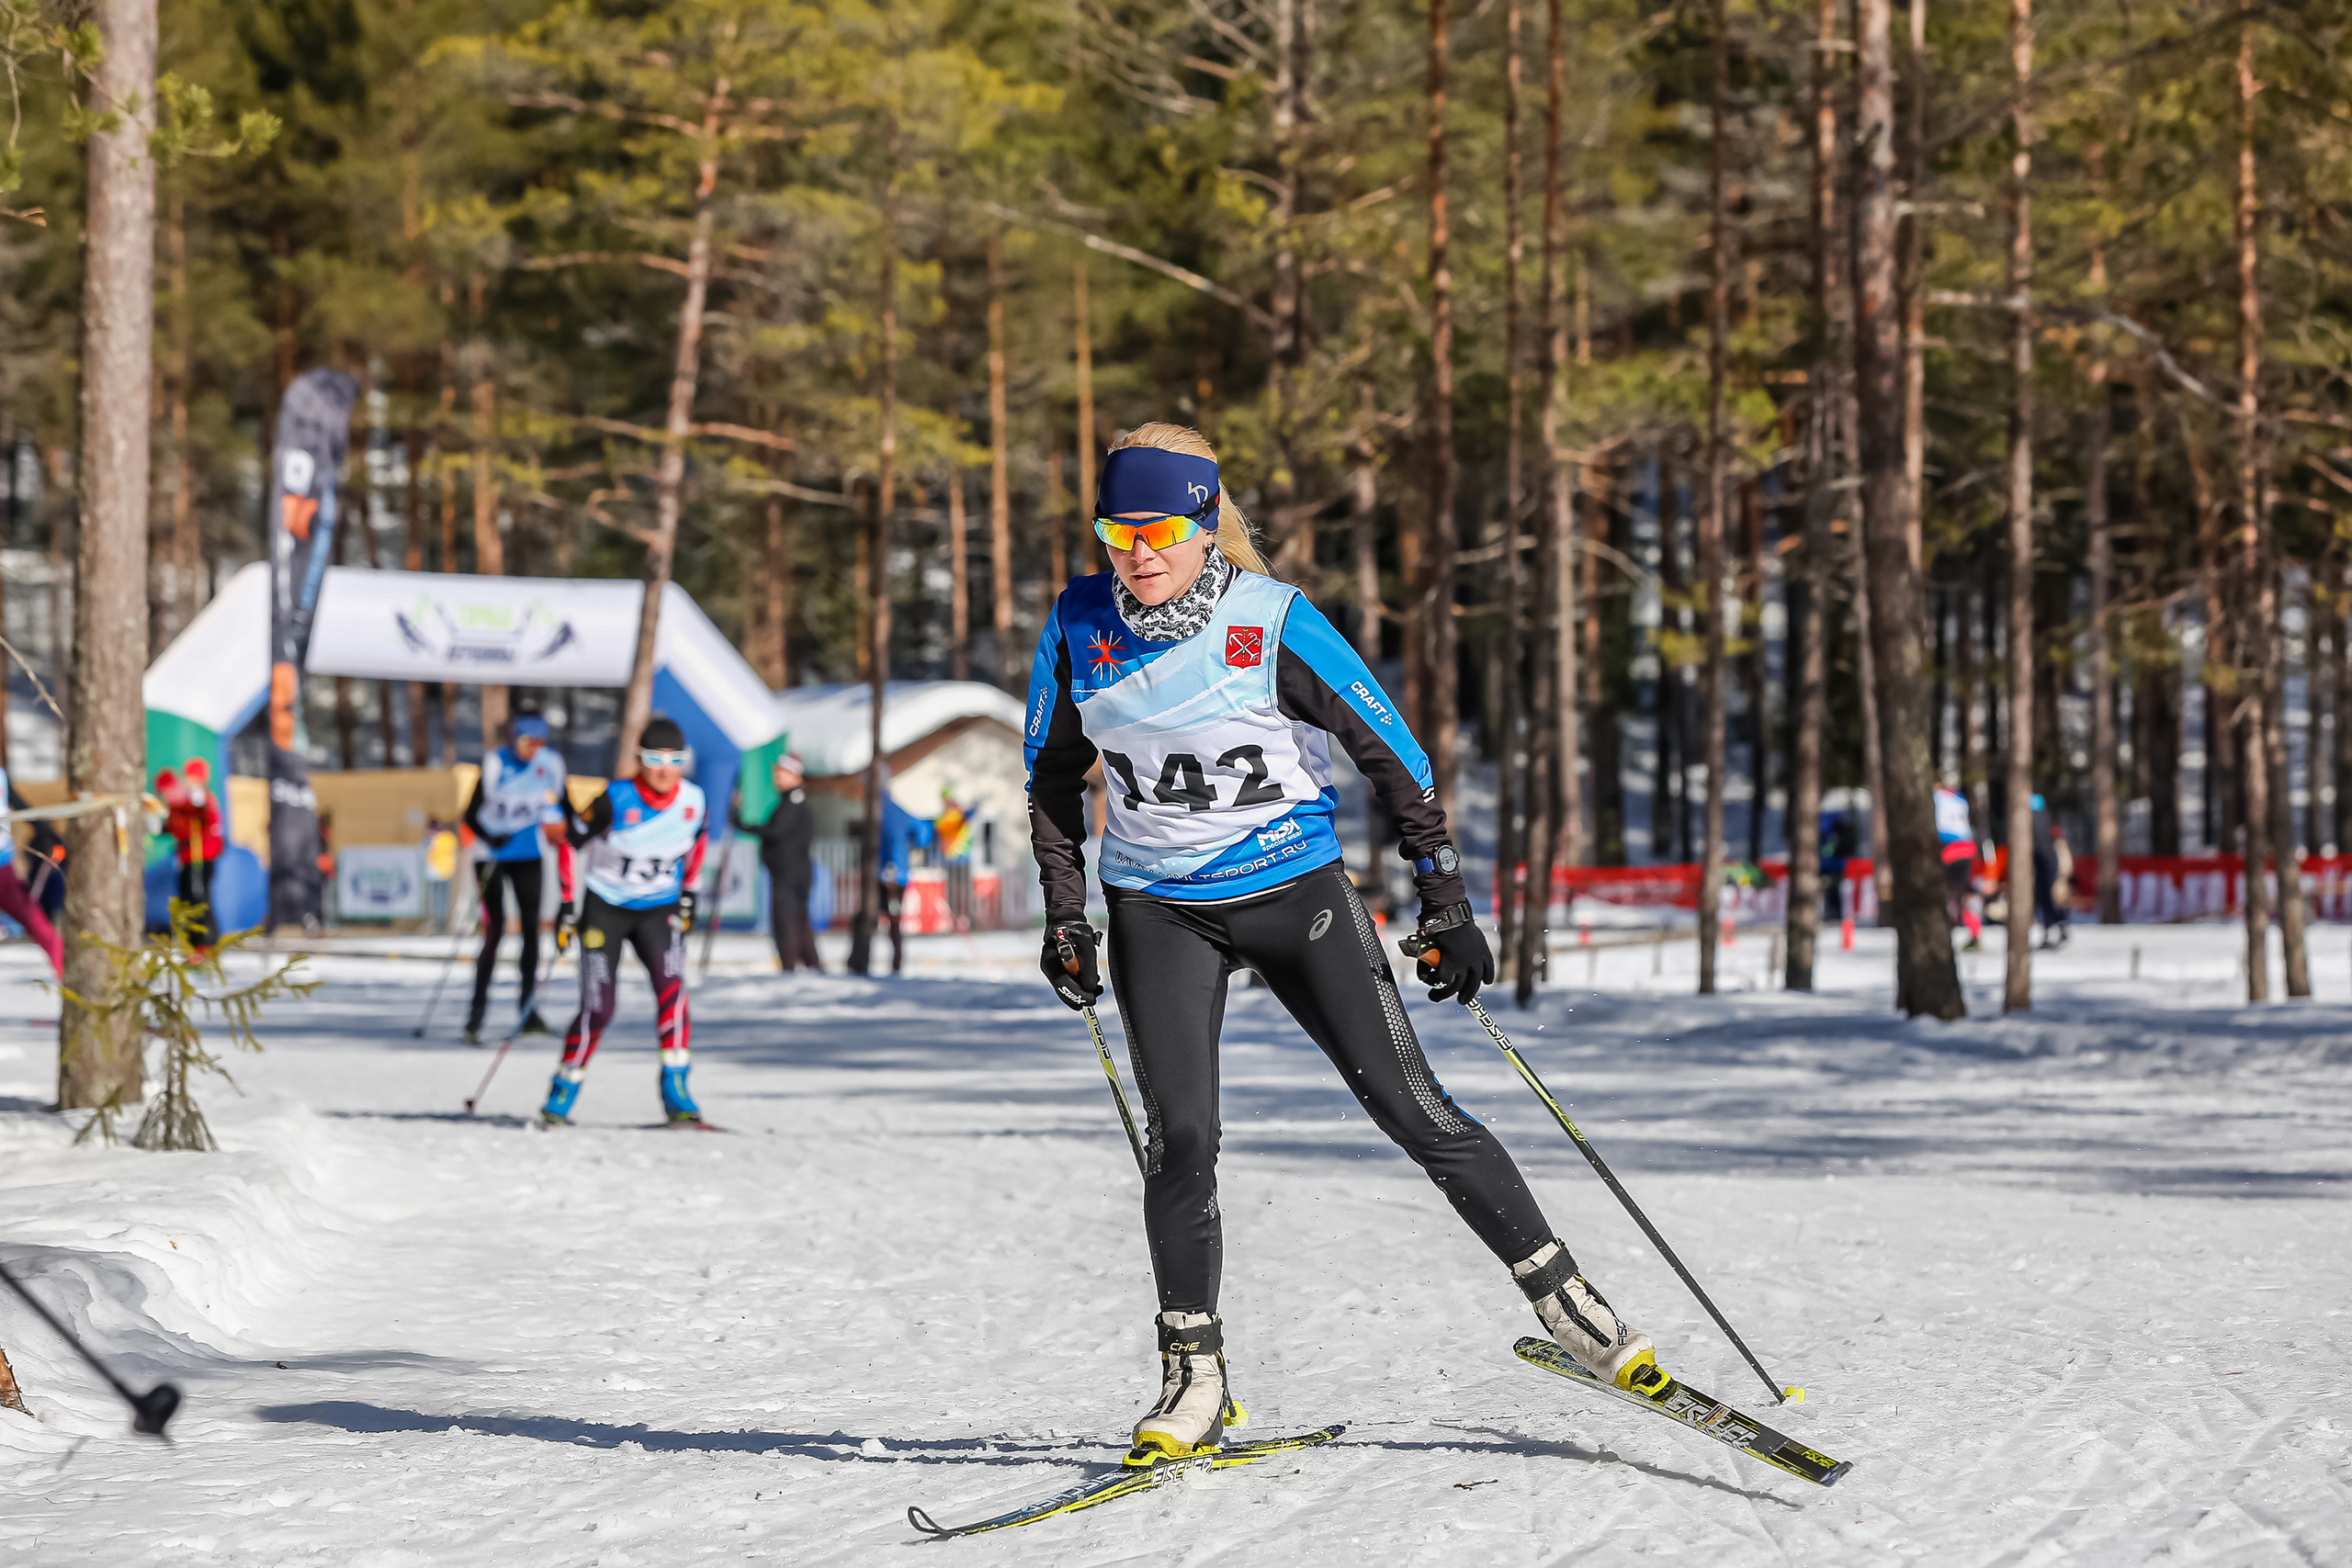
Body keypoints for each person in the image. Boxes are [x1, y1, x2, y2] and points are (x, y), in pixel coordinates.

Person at [1025, 423, 1664, 1468]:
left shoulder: (1267, 621)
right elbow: (1050, 779)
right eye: (1117, 533)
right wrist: (1066, 914)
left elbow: (1394, 754)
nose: (1137, 554)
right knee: (1181, 1138)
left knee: (1410, 1106)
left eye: (1160, 533)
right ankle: (1194, 1373)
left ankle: (1566, 1300)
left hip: (1291, 889)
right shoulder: (1076, 622)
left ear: (1202, 526)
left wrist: (1446, 898)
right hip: (1158, 906)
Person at [542, 716, 708, 1126]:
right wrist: (566, 904)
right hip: (607, 908)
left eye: (675, 760)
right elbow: (569, 844)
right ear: (639, 759)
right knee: (600, 1007)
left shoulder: (693, 800)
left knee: (673, 991)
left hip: (658, 908)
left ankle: (676, 1088)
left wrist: (689, 892)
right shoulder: (614, 798)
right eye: (654, 758)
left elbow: (699, 843)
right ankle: (566, 1084)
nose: (665, 769)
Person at [462, 712, 571, 1043]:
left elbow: (568, 805)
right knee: (494, 931)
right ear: (515, 740)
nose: (532, 749)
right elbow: (470, 813)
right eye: (527, 742)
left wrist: (573, 825)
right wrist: (489, 836)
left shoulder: (550, 763)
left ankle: (528, 1011)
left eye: (539, 742)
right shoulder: (496, 762)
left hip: (528, 853)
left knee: (531, 932)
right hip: (491, 855)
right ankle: (476, 1015)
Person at [732, 752, 821, 972]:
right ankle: (810, 964)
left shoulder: (793, 802)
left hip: (791, 875)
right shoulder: (789, 802)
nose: (776, 777)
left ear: (794, 775)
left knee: (787, 921)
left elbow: (776, 831)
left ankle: (790, 966)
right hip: (790, 873)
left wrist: (743, 825)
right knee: (797, 920)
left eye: (782, 772)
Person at [157, 758, 226, 951]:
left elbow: (204, 824)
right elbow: (182, 826)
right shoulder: (190, 798)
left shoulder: (201, 797)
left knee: (199, 901)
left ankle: (205, 944)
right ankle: (193, 944)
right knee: (188, 901)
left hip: (200, 858)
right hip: (189, 858)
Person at [0, 764, 62, 975]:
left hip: (3, 869)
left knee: (42, 928)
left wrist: (46, 834)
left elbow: (22, 807)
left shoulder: (1, 775)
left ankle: (68, 982)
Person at [1934, 784, 1983, 950]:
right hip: (1968, 847)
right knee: (1965, 892)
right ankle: (1974, 932)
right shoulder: (1960, 799)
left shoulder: (1936, 797)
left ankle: (1944, 933)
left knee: (1946, 894)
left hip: (1949, 849)